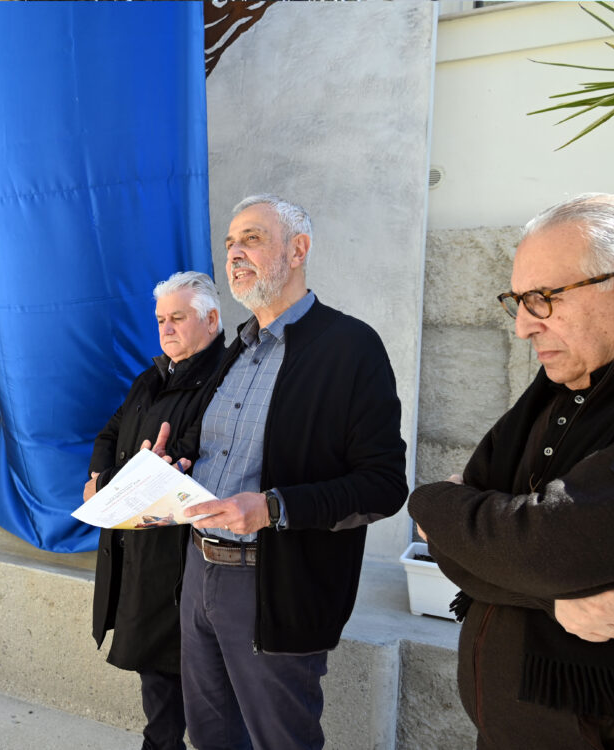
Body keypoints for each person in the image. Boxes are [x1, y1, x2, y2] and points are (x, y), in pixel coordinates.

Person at [165, 195, 407, 749]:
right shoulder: (236, 351)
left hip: (276, 582)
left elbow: (384, 485)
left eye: (251, 238)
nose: (234, 253)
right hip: (200, 572)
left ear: (298, 250)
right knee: (210, 736)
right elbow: (218, 450)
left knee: (281, 740)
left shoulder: (351, 347)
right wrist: (173, 464)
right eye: (229, 243)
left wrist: (273, 507)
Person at [409, 193, 614, 749]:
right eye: (518, 300)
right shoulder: (555, 393)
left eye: (542, 299)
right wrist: (554, 598)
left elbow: (552, 545)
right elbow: (470, 548)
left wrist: (431, 505)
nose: (522, 327)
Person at [86, 271, 226, 750]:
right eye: (161, 319)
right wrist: (97, 481)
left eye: (178, 318)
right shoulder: (151, 377)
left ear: (211, 319)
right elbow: (109, 434)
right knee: (156, 676)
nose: (166, 329)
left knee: (187, 673)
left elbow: (190, 454)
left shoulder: (225, 381)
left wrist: (141, 476)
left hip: (184, 558)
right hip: (139, 550)